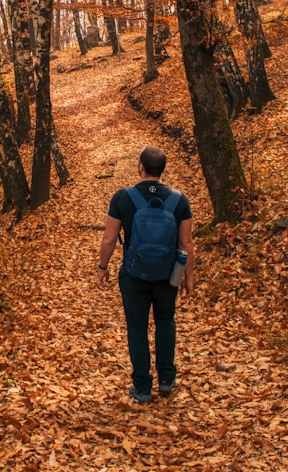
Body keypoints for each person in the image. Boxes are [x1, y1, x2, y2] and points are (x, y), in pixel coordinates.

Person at [97, 145, 194, 403]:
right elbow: (186, 244)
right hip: (168, 275)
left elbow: (109, 239)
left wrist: (102, 267)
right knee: (166, 321)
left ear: (140, 166)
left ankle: (141, 387)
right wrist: (189, 277)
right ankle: (166, 380)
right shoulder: (179, 200)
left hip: (134, 274)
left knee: (137, 328)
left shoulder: (122, 198)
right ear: (162, 169)